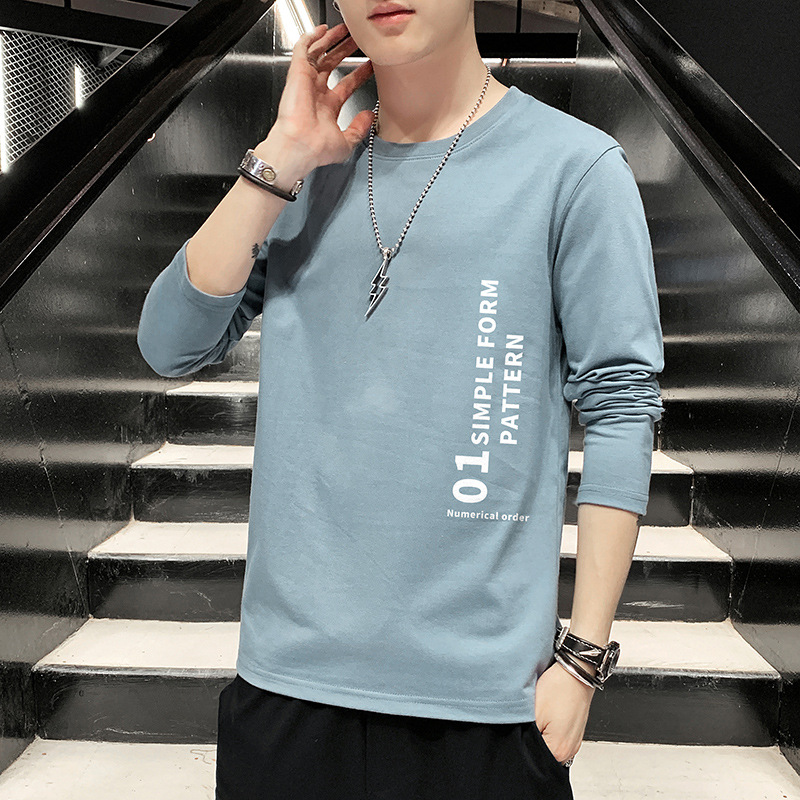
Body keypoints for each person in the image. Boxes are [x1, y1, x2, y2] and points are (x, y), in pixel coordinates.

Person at [136, 0, 664, 797]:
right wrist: (280, 157)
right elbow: (171, 345)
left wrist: (583, 659)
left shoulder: (575, 168)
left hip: (485, 701)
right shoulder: (303, 167)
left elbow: (620, 406)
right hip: (289, 686)